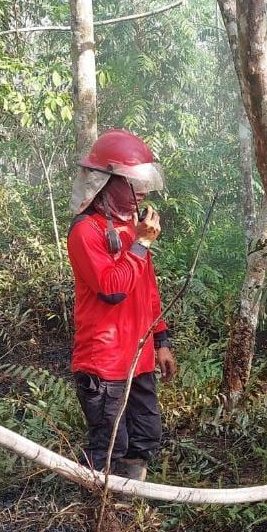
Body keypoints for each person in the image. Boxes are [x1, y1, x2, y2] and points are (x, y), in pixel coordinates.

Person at [67, 129, 178, 482]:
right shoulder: (85, 231)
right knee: (108, 447)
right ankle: (98, 507)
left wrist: (161, 342)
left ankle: (128, 504)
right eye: (133, 183)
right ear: (106, 181)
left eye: (144, 183)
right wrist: (141, 244)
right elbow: (112, 290)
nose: (142, 191)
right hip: (104, 365)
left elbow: (147, 290)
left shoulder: (133, 228)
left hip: (139, 358)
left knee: (143, 438)